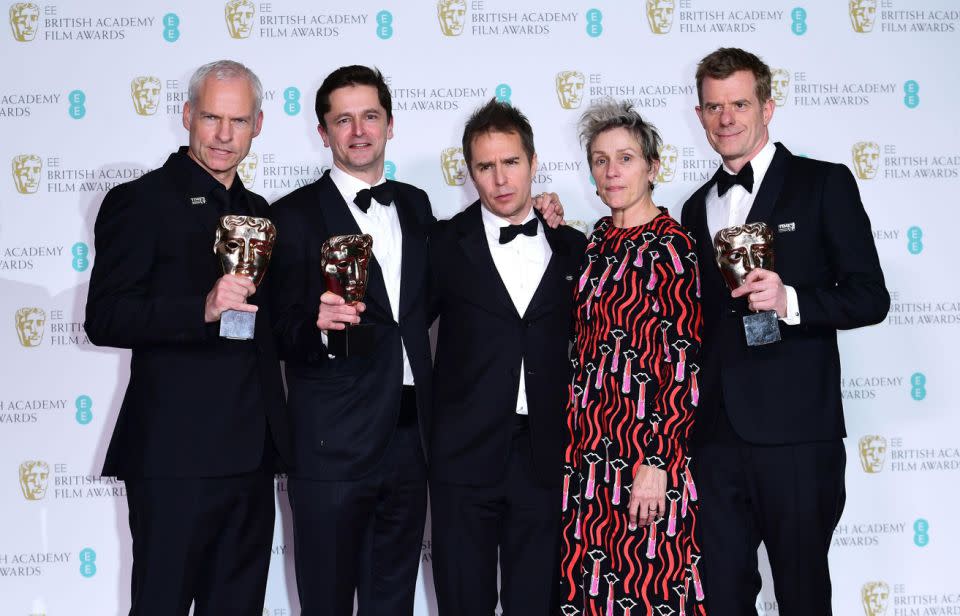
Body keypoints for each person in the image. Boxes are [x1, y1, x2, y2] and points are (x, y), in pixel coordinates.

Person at [680, 47, 889, 614]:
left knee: (800, 595)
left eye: (740, 103)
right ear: (699, 115)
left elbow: (871, 297)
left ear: (768, 107)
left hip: (797, 435)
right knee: (721, 597)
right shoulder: (695, 207)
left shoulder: (824, 184)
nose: (726, 118)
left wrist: (791, 299)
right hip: (716, 438)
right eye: (714, 106)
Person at [84, 59, 292, 616]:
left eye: (239, 121)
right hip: (173, 456)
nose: (225, 135)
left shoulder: (261, 215)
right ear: (186, 116)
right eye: (211, 118)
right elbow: (105, 317)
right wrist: (199, 307)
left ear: (259, 125)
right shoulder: (140, 201)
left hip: (251, 457)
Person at [268, 65, 434, 616]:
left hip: (412, 439)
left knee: (393, 601)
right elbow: (270, 329)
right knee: (327, 601)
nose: (358, 130)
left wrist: (542, 210)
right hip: (331, 444)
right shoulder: (288, 217)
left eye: (370, 116)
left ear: (390, 124)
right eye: (344, 119)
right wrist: (314, 324)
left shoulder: (416, 203)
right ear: (323, 133)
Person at [428, 99, 587, 616]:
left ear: (534, 162)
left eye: (511, 162)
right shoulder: (441, 244)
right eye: (485, 166)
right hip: (462, 461)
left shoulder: (572, 247)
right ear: (469, 171)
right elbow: (401, 335)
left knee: (536, 604)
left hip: (546, 460)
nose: (500, 179)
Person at [560, 100, 705, 615]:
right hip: (587, 459)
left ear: (653, 167)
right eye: (600, 160)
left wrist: (659, 461)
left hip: (645, 456)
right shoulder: (596, 241)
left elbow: (685, 365)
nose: (612, 171)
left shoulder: (673, 246)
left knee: (651, 591)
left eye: (625, 158)